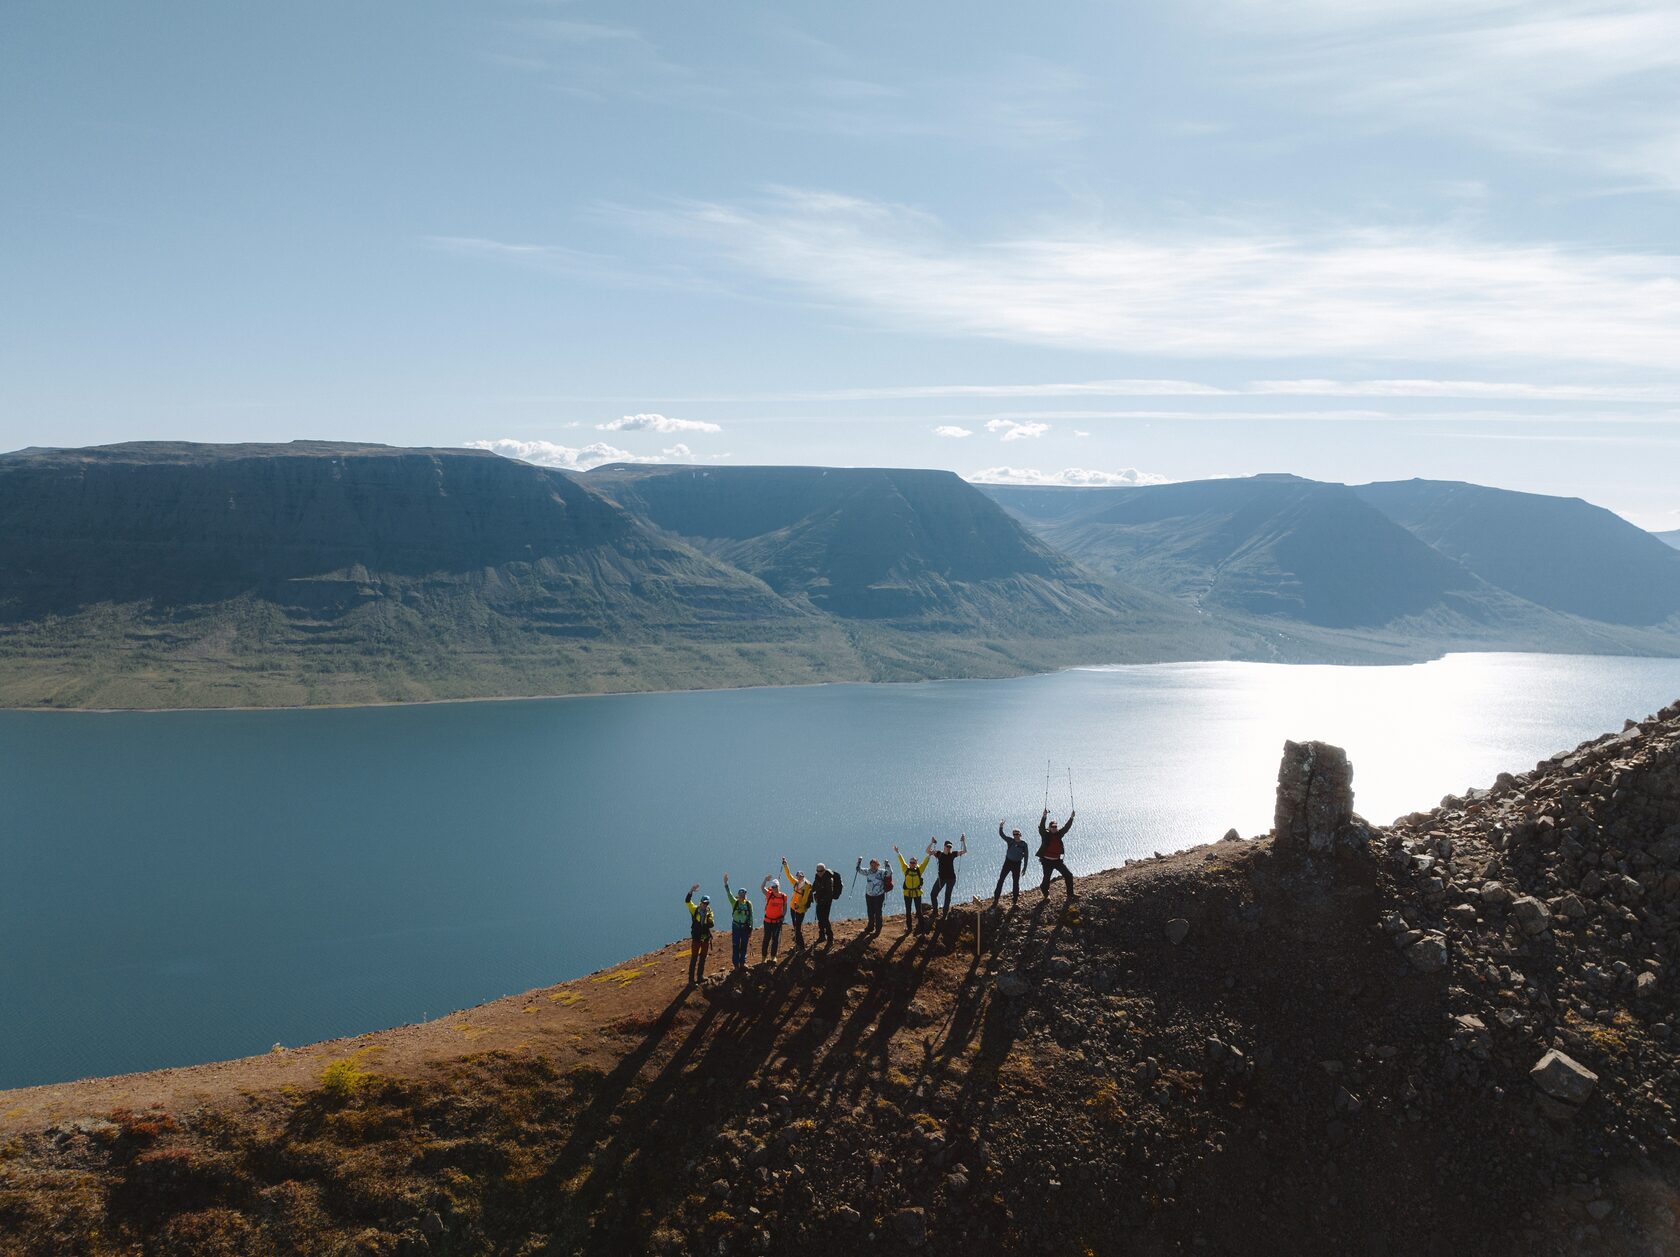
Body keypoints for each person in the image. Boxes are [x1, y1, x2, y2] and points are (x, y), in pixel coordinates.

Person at [1037, 807, 1076, 900]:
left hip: (1057, 861)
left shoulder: (1059, 834)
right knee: (1046, 879)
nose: (1054, 828)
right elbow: (1041, 827)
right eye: (1052, 827)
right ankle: (1045, 894)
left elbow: (1066, 828)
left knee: (1068, 875)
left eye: (1055, 826)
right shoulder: (1045, 834)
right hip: (1046, 861)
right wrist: (1044, 816)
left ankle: (1070, 895)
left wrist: (1071, 818)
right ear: (1049, 828)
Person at [927, 834, 968, 918]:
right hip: (941, 878)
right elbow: (928, 851)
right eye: (947, 846)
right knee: (933, 894)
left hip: (951, 879)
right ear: (944, 846)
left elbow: (964, 851)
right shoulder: (939, 854)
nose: (948, 848)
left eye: (950, 847)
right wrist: (931, 842)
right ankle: (935, 912)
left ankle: (944, 915)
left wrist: (963, 841)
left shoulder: (953, 854)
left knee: (947, 896)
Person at [893, 844, 930, 932]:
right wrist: (898, 852)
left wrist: (929, 855)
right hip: (907, 893)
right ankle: (909, 928)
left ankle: (922, 928)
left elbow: (925, 864)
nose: (912, 864)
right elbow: (901, 861)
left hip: (917, 893)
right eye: (911, 862)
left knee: (919, 912)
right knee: (908, 912)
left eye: (914, 862)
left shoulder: (919, 870)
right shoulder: (906, 869)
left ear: (916, 863)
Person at [993, 821, 1031, 907]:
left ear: (1020, 834)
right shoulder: (1010, 841)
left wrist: (1024, 868)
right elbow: (1002, 835)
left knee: (1015, 882)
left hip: (1017, 864)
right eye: (1014, 834)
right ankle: (996, 898)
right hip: (1008, 862)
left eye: (1017, 834)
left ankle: (1015, 901)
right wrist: (1001, 826)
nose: (1016, 836)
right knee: (1001, 879)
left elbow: (1026, 857)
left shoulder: (1024, 844)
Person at [722, 872, 755, 969]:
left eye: (743, 894)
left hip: (745, 927)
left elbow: (751, 917)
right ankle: (736, 964)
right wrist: (726, 883)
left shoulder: (748, 904)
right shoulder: (734, 902)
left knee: (744, 945)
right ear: (738, 894)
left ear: (745, 895)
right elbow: (729, 894)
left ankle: (742, 963)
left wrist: (751, 929)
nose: (742, 895)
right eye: (740, 894)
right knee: (736, 945)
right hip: (736, 927)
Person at [684, 884, 715, 984]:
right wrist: (691, 891)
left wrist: (709, 921)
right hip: (696, 938)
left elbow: (711, 923)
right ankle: (691, 980)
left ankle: (700, 976)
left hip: (705, 938)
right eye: (704, 903)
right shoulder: (695, 909)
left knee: (703, 957)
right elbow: (687, 902)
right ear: (700, 902)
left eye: (707, 903)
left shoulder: (709, 912)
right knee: (694, 958)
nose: (705, 905)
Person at [781, 858, 813, 950]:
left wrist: (799, 905)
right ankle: (798, 944)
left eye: (800, 876)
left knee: (798, 929)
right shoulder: (796, 883)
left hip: (800, 910)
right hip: (792, 907)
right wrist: (785, 865)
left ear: (803, 876)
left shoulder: (806, 887)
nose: (799, 878)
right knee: (795, 926)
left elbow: (805, 898)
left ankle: (802, 947)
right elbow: (788, 875)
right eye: (798, 876)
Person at [812, 862, 842, 944]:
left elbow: (829, 894)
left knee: (825, 919)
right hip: (819, 901)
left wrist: (821, 900)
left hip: (826, 902)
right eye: (817, 871)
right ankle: (821, 936)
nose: (819, 873)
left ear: (824, 870)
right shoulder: (817, 877)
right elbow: (814, 887)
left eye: (820, 871)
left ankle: (830, 937)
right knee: (819, 918)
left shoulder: (829, 879)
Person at [760, 875, 789, 961]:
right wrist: (765, 879)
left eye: (775, 886)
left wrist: (783, 916)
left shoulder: (783, 896)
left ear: (778, 886)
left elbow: (785, 907)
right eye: (773, 887)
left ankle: (773, 957)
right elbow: (762, 888)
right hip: (768, 921)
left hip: (777, 921)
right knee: (766, 939)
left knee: (775, 939)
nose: (774, 888)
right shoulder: (769, 894)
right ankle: (764, 957)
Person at [857, 857, 887, 934]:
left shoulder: (882, 872)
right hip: (869, 895)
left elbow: (889, 873)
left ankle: (878, 929)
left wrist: (887, 865)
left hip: (879, 895)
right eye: (872, 865)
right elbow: (858, 870)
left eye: (875, 865)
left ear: (878, 865)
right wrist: (859, 862)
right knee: (870, 911)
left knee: (878, 912)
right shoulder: (868, 871)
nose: (873, 867)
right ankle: (870, 927)